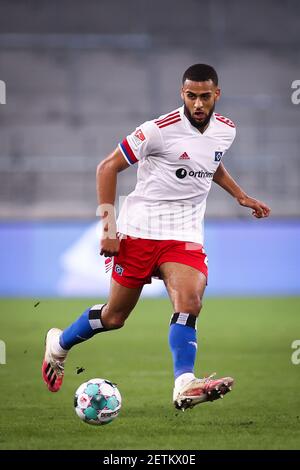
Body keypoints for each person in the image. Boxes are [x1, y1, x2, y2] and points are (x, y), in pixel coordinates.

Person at [42, 64, 270, 410]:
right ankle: (59, 344)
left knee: (190, 303)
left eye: (204, 96)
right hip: (140, 232)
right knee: (114, 318)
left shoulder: (226, 130)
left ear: (216, 95)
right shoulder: (157, 130)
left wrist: (240, 195)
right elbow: (107, 167)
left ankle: (184, 383)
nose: (197, 103)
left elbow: (212, 163)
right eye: (191, 96)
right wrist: (108, 228)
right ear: (182, 94)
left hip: (184, 235)